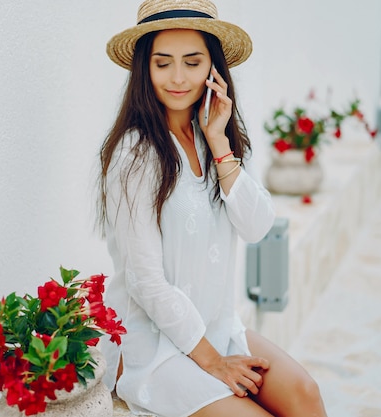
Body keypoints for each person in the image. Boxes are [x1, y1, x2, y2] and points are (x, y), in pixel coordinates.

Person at [97, 1, 328, 416]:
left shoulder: (215, 134)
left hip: (217, 328)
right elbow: (145, 281)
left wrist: (220, 144)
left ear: (213, 68)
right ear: (144, 70)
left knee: (305, 395)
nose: (179, 77)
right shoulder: (136, 155)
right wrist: (212, 362)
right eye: (163, 63)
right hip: (155, 347)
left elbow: (257, 227)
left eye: (193, 61)